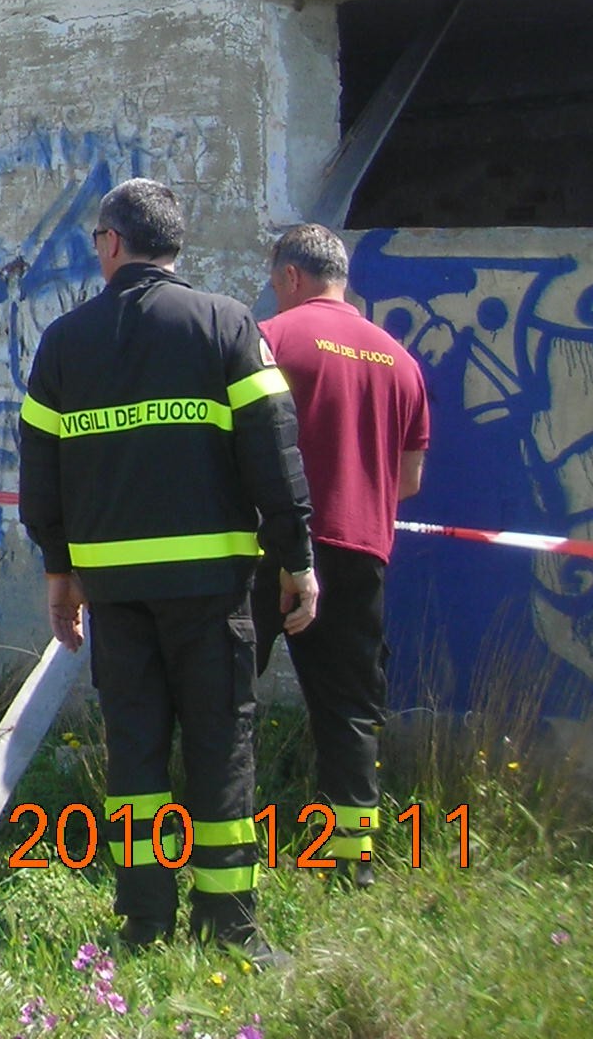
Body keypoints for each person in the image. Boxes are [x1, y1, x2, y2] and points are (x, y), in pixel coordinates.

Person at [18, 179, 319, 955]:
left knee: (136, 752)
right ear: (173, 246)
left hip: (115, 594)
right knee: (221, 746)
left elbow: (40, 473)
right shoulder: (225, 324)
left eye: (97, 241)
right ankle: (230, 928)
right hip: (212, 590)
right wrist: (296, 557)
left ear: (113, 243)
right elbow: (273, 450)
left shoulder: (64, 343)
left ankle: (145, 921)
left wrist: (60, 572)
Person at [254, 223, 429, 886]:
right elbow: (408, 481)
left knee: (228, 693)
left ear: (291, 276)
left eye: (276, 283)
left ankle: (222, 839)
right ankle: (351, 862)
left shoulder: (271, 339)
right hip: (360, 550)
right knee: (351, 710)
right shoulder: (401, 362)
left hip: (272, 546)